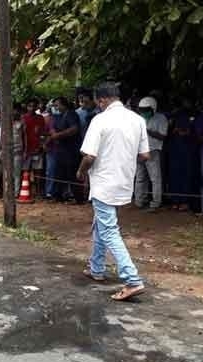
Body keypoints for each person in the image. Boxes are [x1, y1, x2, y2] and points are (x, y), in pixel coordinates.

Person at [76, 82, 149, 301]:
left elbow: (89, 156)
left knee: (108, 229)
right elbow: (145, 155)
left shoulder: (100, 120)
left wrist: (80, 173)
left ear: (102, 100)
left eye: (98, 102)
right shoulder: (137, 120)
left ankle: (132, 279)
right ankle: (96, 267)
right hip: (125, 181)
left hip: (104, 182)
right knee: (102, 223)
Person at [134, 96, 168, 211]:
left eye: (146, 110)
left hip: (153, 151)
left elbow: (163, 136)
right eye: (142, 110)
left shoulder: (161, 118)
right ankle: (139, 201)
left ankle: (155, 203)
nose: (144, 113)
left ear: (153, 108)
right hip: (140, 152)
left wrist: (148, 131)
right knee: (140, 177)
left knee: (155, 178)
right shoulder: (139, 118)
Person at [49, 97, 82, 202]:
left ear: (64, 105)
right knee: (59, 173)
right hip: (60, 150)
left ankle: (78, 197)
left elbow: (74, 129)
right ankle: (58, 196)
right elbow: (52, 127)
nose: (56, 108)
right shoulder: (57, 116)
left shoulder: (72, 114)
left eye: (57, 105)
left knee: (72, 174)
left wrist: (59, 135)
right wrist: (53, 133)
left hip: (71, 150)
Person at [166, 98, 197, 211]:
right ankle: (175, 201)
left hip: (187, 151)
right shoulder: (172, 117)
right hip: (174, 151)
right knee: (174, 176)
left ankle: (185, 201)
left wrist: (183, 132)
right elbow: (167, 134)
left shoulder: (191, 116)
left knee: (186, 176)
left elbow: (191, 133)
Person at [22, 98, 46, 196]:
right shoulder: (23, 118)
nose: (31, 108)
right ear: (27, 107)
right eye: (29, 106)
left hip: (37, 149)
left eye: (33, 106)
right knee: (25, 171)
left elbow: (42, 133)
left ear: (36, 107)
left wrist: (41, 145)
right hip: (26, 150)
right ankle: (26, 190)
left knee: (38, 172)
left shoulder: (40, 118)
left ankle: (38, 191)